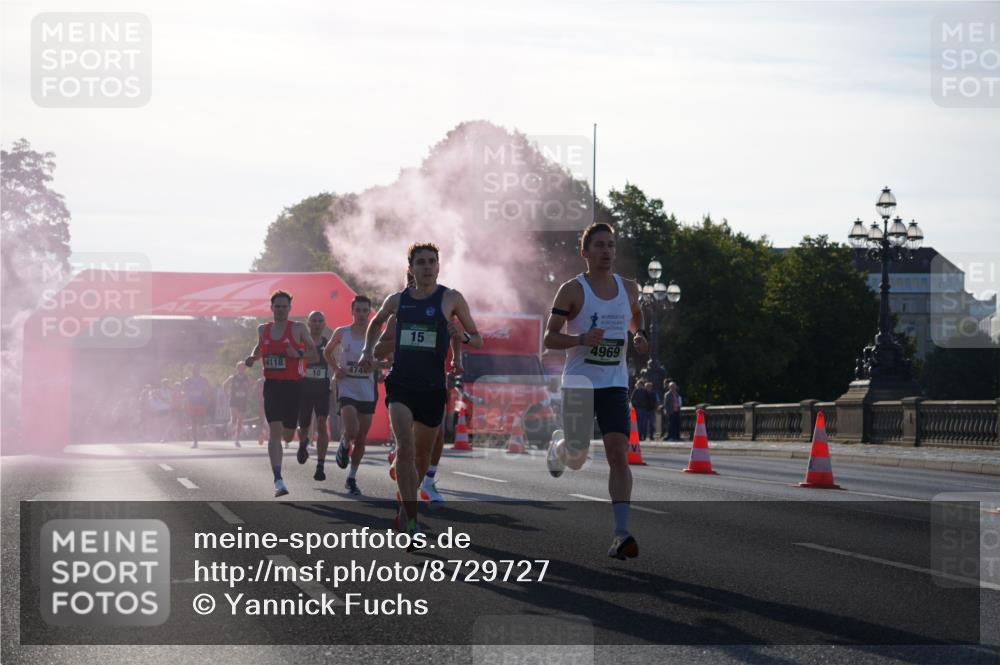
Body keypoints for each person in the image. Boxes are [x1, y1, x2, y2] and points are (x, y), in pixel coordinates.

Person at [358, 243, 483, 543]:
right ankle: (411, 522)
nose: (427, 267)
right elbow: (375, 324)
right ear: (411, 268)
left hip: (432, 387)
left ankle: (405, 502)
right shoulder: (398, 300)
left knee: (422, 456)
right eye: (421, 262)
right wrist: (367, 351)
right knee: (405, 447)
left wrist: (462, 338)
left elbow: (477, 339)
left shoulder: (451, 298)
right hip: (401, 383)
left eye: (432, 262)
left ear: (439, 266)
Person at [542, 222, 649, 560]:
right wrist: (579, 340)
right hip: (578, 381)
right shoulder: (572, 291)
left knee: (619, 452)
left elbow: (635, 315)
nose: (607, 251)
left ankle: (621, 533)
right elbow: (549, 338)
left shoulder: (628, 288)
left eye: (611, 245)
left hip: (614, 382)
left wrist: (638, 335)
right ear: (585, 252)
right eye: (600, 245)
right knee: (576, 459)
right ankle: (559, 445)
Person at [245, 290, 319, 497]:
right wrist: (252, 358)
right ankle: (278, 479)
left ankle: (301, 438)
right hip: (272, 386)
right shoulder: (263, 329)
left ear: (289, 308)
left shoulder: (297, 329)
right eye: (277, 306)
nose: (280, 310)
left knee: (288, 434)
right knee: (274, 432)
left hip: (293, 386)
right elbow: (260, 348)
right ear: (271, 308)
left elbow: (314, 354)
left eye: (284, 306)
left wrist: (299, 354)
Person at [327, 296, 378, 494]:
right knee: (352, 429)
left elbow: (387, 360)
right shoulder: (342, 332)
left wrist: (378, 367)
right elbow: (327, 352)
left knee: (362, 438)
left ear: (370, 312)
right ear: (352, 311)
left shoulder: (376, 336)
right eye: (358, 310)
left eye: (365, 310)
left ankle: (352, 477)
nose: (362, 314)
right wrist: (335, 368)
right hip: (346, 387)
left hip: (367, 389)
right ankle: (344, 441)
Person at [296, 310, 332, 473]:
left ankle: (320, 465)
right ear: (308, 323)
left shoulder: (329, 344)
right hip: (304, 390)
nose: (317, 324)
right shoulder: (301, 343)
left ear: (324, 324)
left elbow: (336, 363)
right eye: (314, 321)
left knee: (322, 424)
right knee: (303, 427)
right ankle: (303, 443)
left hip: (322, 390)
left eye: (320, 321)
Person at [183, 365, 212, 449]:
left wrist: (208, 398)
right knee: (193, 422)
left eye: (197, 370)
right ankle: (195, 441)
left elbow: (209, 389)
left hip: (201, 402)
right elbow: (185, 391)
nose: (196, 371)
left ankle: (202, 434)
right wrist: (185, 401)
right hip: (191, 403)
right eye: (194, 370)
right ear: (192, 371)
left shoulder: (203, 380)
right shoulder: (188, 380)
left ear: (199, 371)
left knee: (201, 421)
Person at [223, 362, 251, 447]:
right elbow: (224, 384)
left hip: (242, 401)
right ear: (237, 368)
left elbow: (250, 386)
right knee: (234, 419)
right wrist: (227, 393)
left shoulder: (246, 378)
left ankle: (237, 439)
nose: (242, 369)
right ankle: (227, 429)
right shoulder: (233, 377)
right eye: (240, 367)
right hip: (234, 400)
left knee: (240, 421)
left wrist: (247, 391)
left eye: (243, 367)